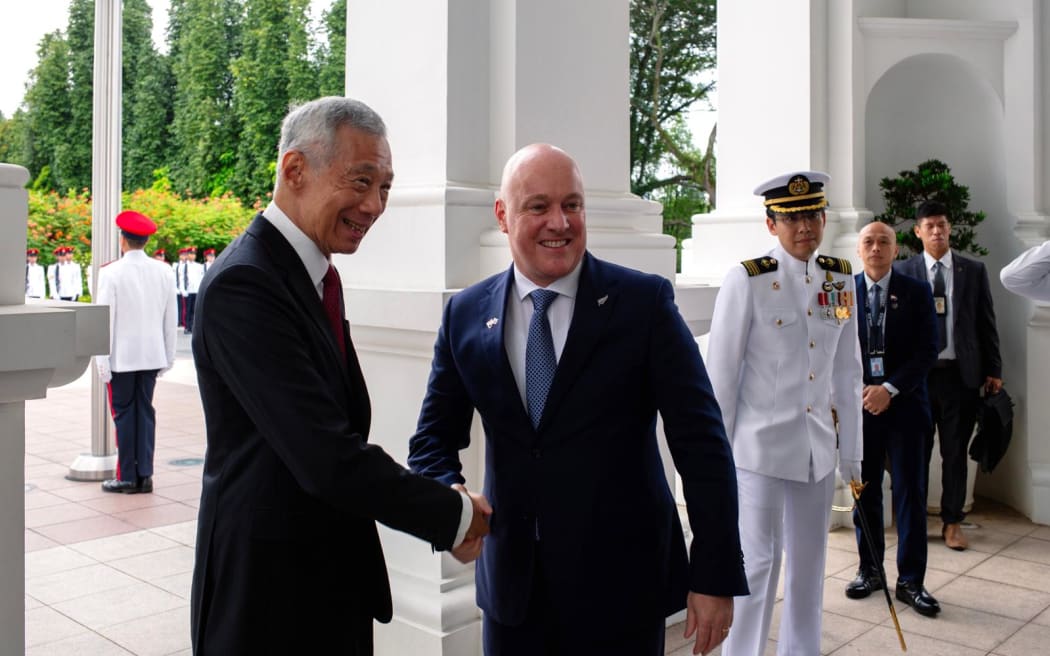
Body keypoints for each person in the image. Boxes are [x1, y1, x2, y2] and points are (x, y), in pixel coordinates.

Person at [408, 143, 747, 656]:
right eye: (538, 206)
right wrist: (449, 508)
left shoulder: (644, 304)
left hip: (622, 590)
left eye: (573, 204)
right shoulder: (466, 314)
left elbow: (701, 442)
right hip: (512, 595)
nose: (560, 223)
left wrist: (715, 572)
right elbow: (432, 438)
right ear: (503, 215)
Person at [189, 96, 491, 655]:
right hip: (269, 599)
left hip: (325, 585)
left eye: (385, 188)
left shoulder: (316, 274)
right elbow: (325, 456)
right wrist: (451, 513)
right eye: (361, 181)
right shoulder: (245, 285)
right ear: (295, 170)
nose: (374, 205)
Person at [706, 171, 864, 656]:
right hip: (758, 451)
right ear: (771, 223)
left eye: (812, 216)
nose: (805, 228)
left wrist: (852, 455)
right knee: (756, 565)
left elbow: (847, 371)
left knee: (809, 570)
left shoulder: (839, 278)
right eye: (792, 218)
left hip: (815, 450)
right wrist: (716, 463)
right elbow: (722, 379)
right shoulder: (748, 280)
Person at [895, 200, 1002, 551]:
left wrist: (993, 371)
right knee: (916, 451)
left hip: (960, 376)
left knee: (955, 453)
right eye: (930, 226)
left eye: (942, 224)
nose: (937, 231)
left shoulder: (972, 271)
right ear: (918, 232)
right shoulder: (904, 271)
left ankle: (953, 522)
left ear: (949, 227)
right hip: (917, 379)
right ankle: (916, 520)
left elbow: (986, 323)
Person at [846, 221, 941, 616]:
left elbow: (928, 350)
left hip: (906, 409)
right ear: (859, 249)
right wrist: (859, 393)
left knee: (909, 494)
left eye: (884, 241)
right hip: (860, 409)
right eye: (868, 241)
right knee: (863, 493)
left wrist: (890, 389)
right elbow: (832, 351)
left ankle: (910, 581)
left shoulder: (917, 292)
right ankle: (869, 571)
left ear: (897, 249)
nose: (876, 248)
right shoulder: (843, 292)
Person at [95, 211, 178, 494]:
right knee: (145, 413)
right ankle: (145, 475)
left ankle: (127, 477)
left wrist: (102, 362)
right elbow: (171, 318)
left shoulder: (110, 272)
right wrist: (168, 356)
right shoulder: (163, 271)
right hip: (151, 355)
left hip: (122, 357)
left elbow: (104, 321)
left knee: (124, 415)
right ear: (146, 240)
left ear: (123, 240)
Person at [177, 246, 204, 333]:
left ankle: (192, 326)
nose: (192, 256)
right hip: (188, 291)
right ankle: (187, 327)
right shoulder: (183, 266)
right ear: (187, 255)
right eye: (190, 254)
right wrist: (182, 290)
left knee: (194, 309)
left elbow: (201, 278)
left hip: (196, 290)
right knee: (187, 310)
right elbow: (181, 279)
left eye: (194, 254)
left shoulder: (199, 266)